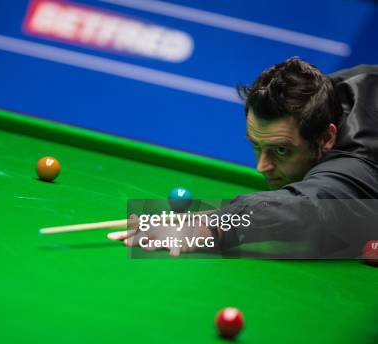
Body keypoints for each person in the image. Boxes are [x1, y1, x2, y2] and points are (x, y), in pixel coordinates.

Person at [107, 57, 378, 258]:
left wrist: (210, 225)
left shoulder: (357, 157)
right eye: (257, 146)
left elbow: (309, 204)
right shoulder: (319, 98)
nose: (262, 166)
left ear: (326, 139)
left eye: (282, 150)